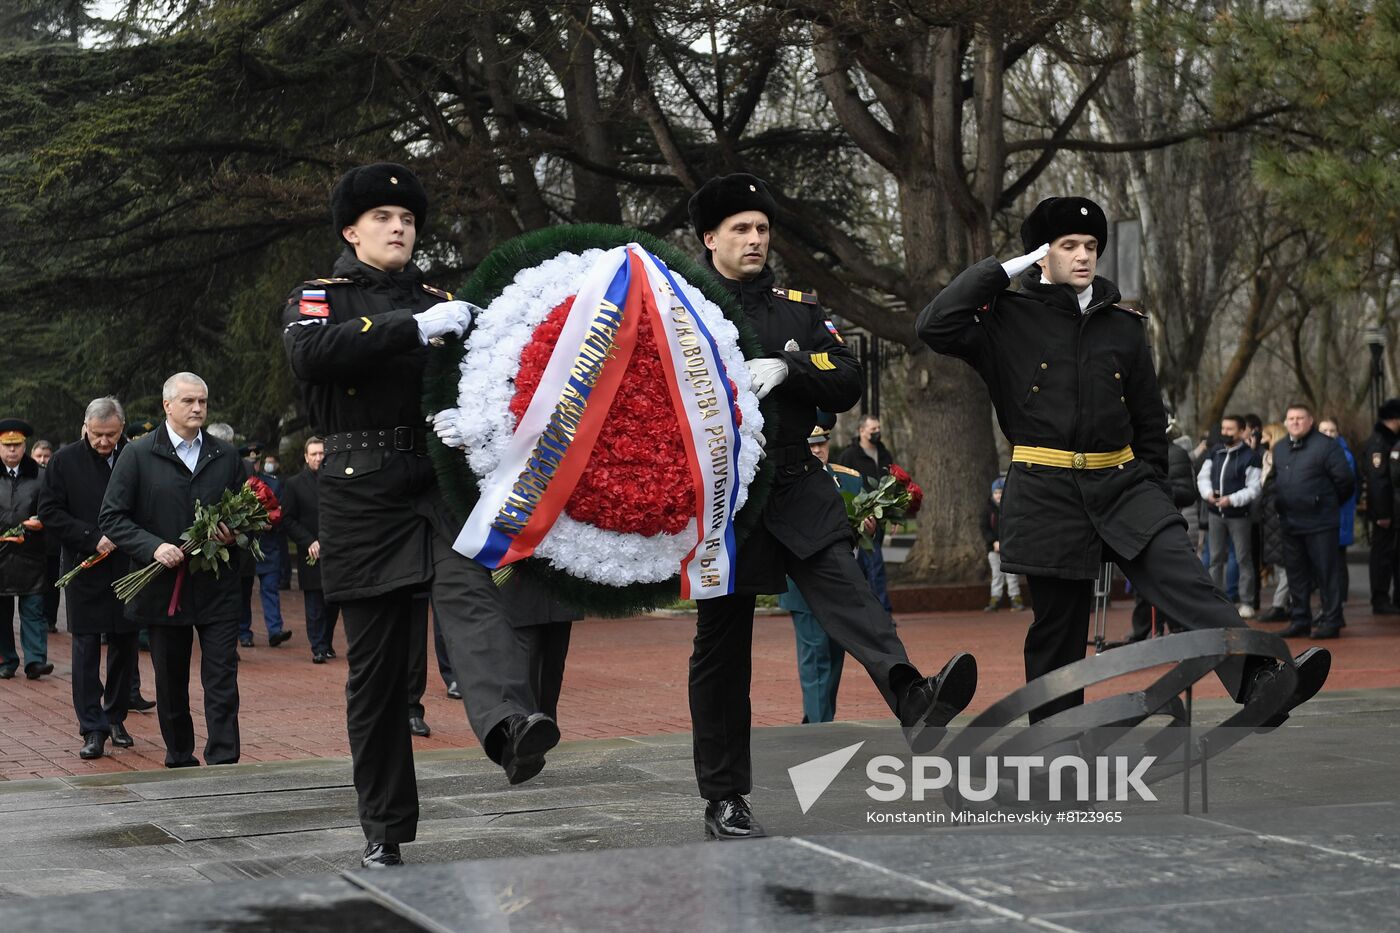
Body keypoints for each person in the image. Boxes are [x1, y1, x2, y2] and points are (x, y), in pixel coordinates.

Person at [917, 194, 1329, 725]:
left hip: (1122, 483)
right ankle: (1054, 751)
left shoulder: (1123, 325)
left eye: (1091, 246)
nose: (1084, 255)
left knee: (1187, 580)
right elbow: (934, 324)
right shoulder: (1005, 320)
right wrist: (1001, 271)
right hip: (1046, 489)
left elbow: (1149, 422)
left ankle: (1258, 681)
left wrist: (1155, 492)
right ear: (1042, 255)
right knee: (1058, 632)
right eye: (1068, 246)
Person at [685, 173, 978, 841]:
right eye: (741, 229)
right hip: (727, 493)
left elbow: (846, 377)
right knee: (722, 646)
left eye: (762, 228)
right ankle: (725, 794)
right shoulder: (684, 306)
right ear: (710, 239)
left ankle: (912, 695)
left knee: (848, 592)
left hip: (796, 479)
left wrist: (791, 367)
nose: (756, 238)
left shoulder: (796, 307)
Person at [282, 162, 556, 869]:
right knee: (376, 672)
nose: (399, 226)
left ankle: (510, 728)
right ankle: (385, 826)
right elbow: (310, 356)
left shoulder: (446, 301)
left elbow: (488, 382)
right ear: (352, 230)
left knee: (473, 598)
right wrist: (410, 326)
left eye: (407, 219)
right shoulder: (321, 297)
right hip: (361, 490)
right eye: (383, 218)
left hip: (434, 480)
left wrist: (471, 418)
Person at [99, 373, 245, 767]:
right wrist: (154, 547)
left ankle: (224, 758)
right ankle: (180, 754)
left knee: (221, 678)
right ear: (167, 405)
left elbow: (250, 514)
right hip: (165, 589)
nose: (197, 408)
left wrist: (233, 534)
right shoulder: (138, 454)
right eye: (188, 401)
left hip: (217, 587)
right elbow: (112, 517)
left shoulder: (225, 456)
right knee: (171, 678)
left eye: (203, 401)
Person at [39, 398, 141, 759]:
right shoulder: (65, 461)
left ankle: (115, 716)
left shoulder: (135, 455)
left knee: (124, 644)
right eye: (97, 435)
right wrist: (90, 537)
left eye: (111, 435)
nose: (103, 442)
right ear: (85, 427)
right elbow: (49, 511)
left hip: (128, 567)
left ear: (121, 429)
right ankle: (92, 727)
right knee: (85, 648)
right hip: (85, 565)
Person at [777, 426, 863, 723]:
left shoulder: (849, 480)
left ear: (829, 442)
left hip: (841, 583)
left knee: (835, 655)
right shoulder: (788, 479)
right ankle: (818, 726)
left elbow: (862, 531)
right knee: (816, 658)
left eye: (821, 443)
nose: (816, 450)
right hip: (803, 584)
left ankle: (819, 718)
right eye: (809, 444)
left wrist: (868, 530)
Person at [1129, 422, 1200, 640]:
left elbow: (1187, 492)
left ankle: (1180, 629)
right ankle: (1143, 631)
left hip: (1165, 520)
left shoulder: (1176, 453)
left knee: (1172, 579)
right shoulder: (1130, 452)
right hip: (1136, 522)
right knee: (1141, 582)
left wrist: (1157, 491)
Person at [1197, 415, 1263, 618]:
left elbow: (1254, 488)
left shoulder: (1250, 457)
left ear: (1242, 431)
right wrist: (1208, 494)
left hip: (1239, 515)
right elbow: (1203, 477)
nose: (1225, 432)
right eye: (1223, 428)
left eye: (1230, 429)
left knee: (1243, 558)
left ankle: (1246, 601)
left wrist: (1232, 500)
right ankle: (1214, 600)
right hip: (1215, 513)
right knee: (1215, 559)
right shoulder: (1214, 452)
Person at [0, 417, 51, 680]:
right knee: (2, 613)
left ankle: (35, 661)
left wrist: (43, 521)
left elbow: (51, 508)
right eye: (7, 445)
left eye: (17, 445)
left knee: (33, 608)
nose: (12, 450)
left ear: (24, 446)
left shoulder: (40, 476)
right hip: (1, 555)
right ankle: (7, 660)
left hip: (31, 553)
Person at [282, 436, 339, 663]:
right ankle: (318, 646)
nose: (318, 458)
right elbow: (287, 519)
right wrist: (308, 542)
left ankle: (327, 642)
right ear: (306, 457)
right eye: (313, 454)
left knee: (332, 601)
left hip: (335, 550)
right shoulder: (294, 484)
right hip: (311, 551)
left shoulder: (336, 480)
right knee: (315, 601)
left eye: (321, 453)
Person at [835, 414, 895, 611]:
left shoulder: (884, 454)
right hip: (860, 518)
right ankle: (883, 611)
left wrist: (894, 514)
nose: (877, 432)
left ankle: (856, 606)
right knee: (874, 562)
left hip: (881, 518)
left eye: (878, 428)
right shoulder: (849, 456)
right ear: (862, 431)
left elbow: (892, 483)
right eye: (873, 429)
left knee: (862, 565)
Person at [248, 449, 292, 648]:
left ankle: (275, 630)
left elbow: (283, 511)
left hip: (268, 545)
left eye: (256, 461)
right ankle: (243, 632)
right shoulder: (239, 483)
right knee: (243, 591)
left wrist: (273, 523)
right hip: (246, 546)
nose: (254, 466)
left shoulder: (272, 482)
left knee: (270, 588)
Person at [1364, 399, 1400, 615]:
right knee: (1382, 556)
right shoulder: (1379, 443)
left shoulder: (1390, 441)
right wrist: (1383, 514)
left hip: (1395, 509)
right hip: (1386, 511)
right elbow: (1378, 482)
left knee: (1394, 556)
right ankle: (1380, 597)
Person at [29, 440, 61, 634]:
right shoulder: (31, 478)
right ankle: (38, 617)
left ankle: (50, 619)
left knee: (52, 582)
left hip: (54, 541)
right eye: (39, 456)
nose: (42, 460)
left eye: (46, 456)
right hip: (34, 541)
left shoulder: (57, 476)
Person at [980, 476, 1023, 612]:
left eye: (1001, 492)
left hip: (1009, 548)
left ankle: (1015, 598)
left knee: (1012, 575)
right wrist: (993, 542)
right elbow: (984, 527)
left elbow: (1014, 527)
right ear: (992, 494)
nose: (998, 495)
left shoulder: (1011, 509)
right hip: (994, 549)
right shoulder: (987, 510)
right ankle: (995, 598)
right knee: (997, 575)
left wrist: (1007, 543)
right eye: (996, 493)